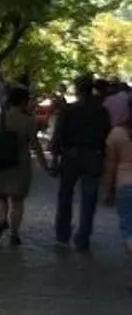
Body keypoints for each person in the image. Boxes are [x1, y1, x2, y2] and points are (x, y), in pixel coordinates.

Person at [48, 74, 112, 252]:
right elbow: (106, 135)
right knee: (89, 198)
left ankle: (62, 233)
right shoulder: (101, 111)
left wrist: (54, 160)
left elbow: (57, 137)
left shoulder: (69, 110)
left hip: (71, 155)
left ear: (77, 89)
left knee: (65, 195)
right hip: (93, 155)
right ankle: (83, 236)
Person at [0, 81, 37, 245]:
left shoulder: (0, 119)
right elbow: (35, 144)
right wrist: (47, 165)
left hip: (2, 161)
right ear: (23, 101)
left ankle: (2, 219)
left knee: (1, 195)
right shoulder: (28, 121)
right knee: (18, 200)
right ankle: (15, 232)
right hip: (21, 162)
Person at [104, 101, 132, 290]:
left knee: (129, 229)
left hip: (126, 185)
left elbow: (111, 165)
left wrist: (108, 190)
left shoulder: (117, 134)